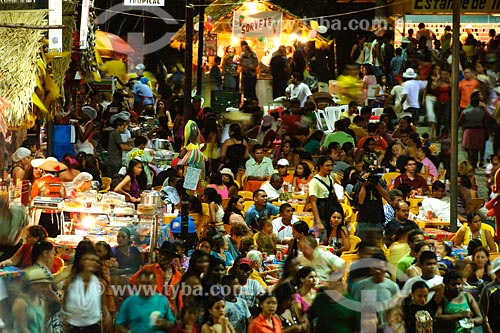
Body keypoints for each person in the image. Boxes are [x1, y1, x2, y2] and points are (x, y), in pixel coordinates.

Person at [62, 240, 112, 332]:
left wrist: (107, 315)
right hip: (74, 327)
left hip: (92, 327)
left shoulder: (99, 283)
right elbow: (65, 307)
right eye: (86, 259)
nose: (90, 262)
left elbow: (103, 305)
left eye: (93, 260)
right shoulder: (70, 282)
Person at [129, 241, 182, 313]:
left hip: (169, 313)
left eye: (164, 254)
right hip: (148, 310)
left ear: (171, 257)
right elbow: (132, 281)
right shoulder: (148, 269)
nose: (160, 256)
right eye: (160, 253)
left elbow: (180, 301)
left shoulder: (178, 276)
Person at [31, 158, 67, 237]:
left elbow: (33, 197)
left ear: (43, 170)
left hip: (43, 215)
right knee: (55, 239)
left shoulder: (38, 182)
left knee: (41, 238)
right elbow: (64, 197)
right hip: (57, 214)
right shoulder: (61, 183)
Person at [308, 155, 342, 238]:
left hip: (329, 214)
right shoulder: (314, 182)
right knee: (319, 241)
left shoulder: (330, 178)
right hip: (320, 216)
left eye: (331, 165)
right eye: (327, 166)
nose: (330, 168)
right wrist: (318, 222)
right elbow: (313, 202)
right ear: (320, 166)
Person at [12, 266, 54, 333]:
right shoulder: (21, 302)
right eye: (38, 284)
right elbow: (22, 327)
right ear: (30, 285)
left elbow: (42, 325)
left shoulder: (41, 301)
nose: (42, 287)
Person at [459, 90, 487, 170]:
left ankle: (471, 163)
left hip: (468, 131)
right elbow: (485, 123)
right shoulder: (482, 112)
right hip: (479, 131)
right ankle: (473, 164)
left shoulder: (465, 112)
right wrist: (487, 132)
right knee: (476, 150)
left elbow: (459, 122)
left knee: (468, 149)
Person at [479, 257, 500, 333]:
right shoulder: (489, 289)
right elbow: (482, 310)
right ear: (496, 272)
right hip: (494, 326)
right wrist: (486, 326)